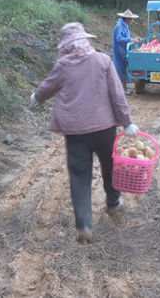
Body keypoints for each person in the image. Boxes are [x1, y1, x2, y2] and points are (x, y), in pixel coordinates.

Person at [31, 23, 139, 243]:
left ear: (66, 45)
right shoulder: (102, 61)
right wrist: (126, 122)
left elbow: (47, 87)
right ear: (85, 40)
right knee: (111, 167)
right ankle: (112, 202)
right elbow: (117, 95)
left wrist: (36, 98)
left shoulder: (63, 65)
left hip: (75, 131)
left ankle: (84, 224)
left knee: (79, 175)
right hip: (104, 129)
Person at [112, 9, 141, 95]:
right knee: (121, 68)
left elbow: (126, 37)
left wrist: (134, 38)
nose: (132, 20)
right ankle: (122, 89)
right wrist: (131, 39)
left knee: (124, 67)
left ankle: (124, 88)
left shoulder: (125, 25)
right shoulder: (119, 26)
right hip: (119, 50)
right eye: (131, 18)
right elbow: (119, 38)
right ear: (127, 19)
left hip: (124, 49)